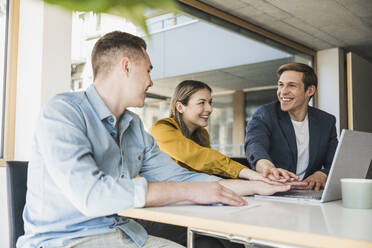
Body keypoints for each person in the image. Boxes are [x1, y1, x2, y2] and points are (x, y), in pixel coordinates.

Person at [18, 31, 290, 248]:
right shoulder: (63, 111)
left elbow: (184, 179)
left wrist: (257, 185)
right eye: (148, 71)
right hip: (64, 241)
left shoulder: (134, 126)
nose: (150, 82)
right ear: (126, 66)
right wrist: (192, 192)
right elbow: (92, 196)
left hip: (123, 233)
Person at [149, 80, 280, 182]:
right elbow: (199, 157)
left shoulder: (201, 134)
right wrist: (249, 174)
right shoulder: (161, 129)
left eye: (210, 102)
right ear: (180, 107)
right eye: (202, 103)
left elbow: (206, 171)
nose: (210, 109)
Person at [245, 62, 338, 191]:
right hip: (272, 191)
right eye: (280, 85)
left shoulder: (326, 121)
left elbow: (335, 160)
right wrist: (267, 167)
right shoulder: (265, 114)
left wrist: (322, 174)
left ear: (310, 90)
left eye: (291, 86)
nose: (283, 92)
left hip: (308, 193)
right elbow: (254, 144)